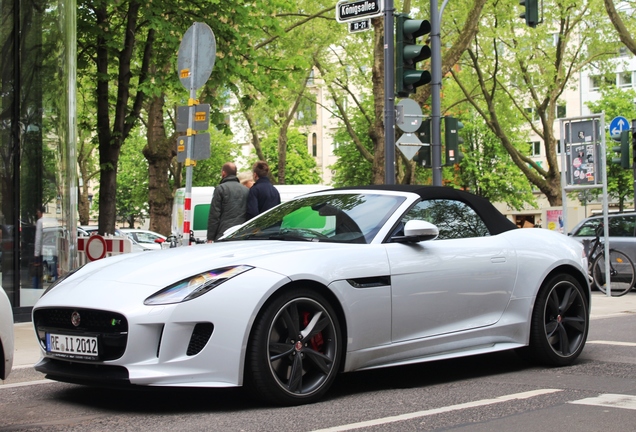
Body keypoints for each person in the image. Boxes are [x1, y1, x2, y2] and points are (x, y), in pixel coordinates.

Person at [206, 162, 249, 242]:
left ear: (223, 173)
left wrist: (210, 237)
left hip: (224, 234)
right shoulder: (246, 190)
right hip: (241, 234)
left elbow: (214, 215)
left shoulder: (220, 189)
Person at [33, 206, 45, 288]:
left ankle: (36, 286)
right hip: (53, 251)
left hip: (42, 251)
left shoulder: (40, 222)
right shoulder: (52, 221)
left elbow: (38, 238)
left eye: (37, 212)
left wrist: (36, 253)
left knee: (37, 270)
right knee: (51, 270)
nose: (37, 214)